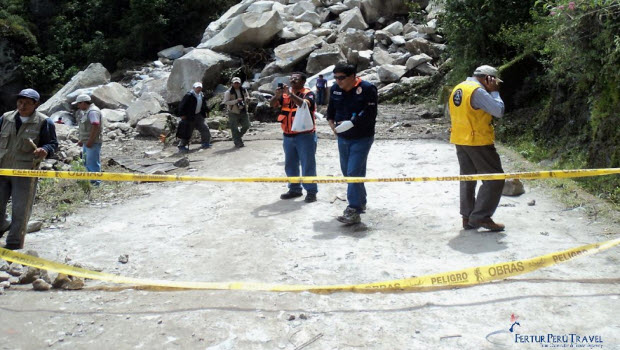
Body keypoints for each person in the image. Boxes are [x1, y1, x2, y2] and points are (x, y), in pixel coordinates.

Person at [448, 65, 506, 231]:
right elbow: (498, 111)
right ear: (488, 78)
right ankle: (481, 217)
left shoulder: (459, 87)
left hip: (460, 138)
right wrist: (494, 92)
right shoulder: (477, 91)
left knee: (467, 179)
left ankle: (467, 217)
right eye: (494, 81)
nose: (495, 84)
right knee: (495, 179)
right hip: (478, 140)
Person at [0, 88, 58, 250]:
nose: (22, 106)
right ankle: (3, 225)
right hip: (2, 169)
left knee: (21, 209)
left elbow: (52, 144)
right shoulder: (6, 118)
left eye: (27, 103)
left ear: (36, 104)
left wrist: (44, 150)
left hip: (25, 171)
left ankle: (14, 243)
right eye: (20, 102)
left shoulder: (44, 121)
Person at [327, 63, 378, 224]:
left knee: (353, 172)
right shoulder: (335, 89)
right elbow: (330, 110)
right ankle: (360, 202)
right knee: (348, 172)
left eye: (341, 78)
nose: (338, 81)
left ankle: (354, 208)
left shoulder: (367, 88)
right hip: (343, 138)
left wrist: (353, 122)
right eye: (335, 78)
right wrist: (332, 125)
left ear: (352, 76)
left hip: (362, 137)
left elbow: (370, 113)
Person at [270, 72, 318, 203]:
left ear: (303, 81)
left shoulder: (308, 93)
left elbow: (304, 105)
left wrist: (290, 94)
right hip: (288, 136)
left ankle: (311, 191)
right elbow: (272, 104)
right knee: (290, 164)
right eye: (291, 78)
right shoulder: (284, 95)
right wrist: (277, 96)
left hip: (305, 136)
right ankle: (295, 189)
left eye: (296, 79)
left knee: (308, 164)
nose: (292, 80)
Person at [73, 94, 103, 186]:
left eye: (78, 104)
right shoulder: (87, 111)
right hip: (88, 142)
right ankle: (90, 182)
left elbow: (95, 126)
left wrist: (90, 141)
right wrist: (82, 140)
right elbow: (87, 127)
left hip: (92, 143)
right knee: (86, 162)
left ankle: (96, 183)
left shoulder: (93, 112)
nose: (78, 106)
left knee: (92, 163)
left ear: (83, 103)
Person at [176, 82, 211, 152]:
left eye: (200, 87)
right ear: (194, 88)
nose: (199, 89)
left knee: (205, 128)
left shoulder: (201, 95)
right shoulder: (189, 95)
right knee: (187, 131)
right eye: (197, 87)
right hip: (189, 116)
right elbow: (181, 106)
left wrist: (207, 111)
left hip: (198, 115)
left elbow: (203, 104)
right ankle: (181, 146)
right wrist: (182, 115)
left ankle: (205, 143)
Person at [223, 77, 250, 148]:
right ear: (232, 83)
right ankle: (237, 142)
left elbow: (247, 96)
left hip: (243, 110)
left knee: (246, 125)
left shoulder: (244, 90)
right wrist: (236, 101)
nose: (236, 84)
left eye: (238, 83)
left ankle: (237, 137)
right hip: (233, 112)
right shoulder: (228, 92)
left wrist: (247, 99)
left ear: (240, 83)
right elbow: (225, 102)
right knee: (234, 128)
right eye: (235, 83)